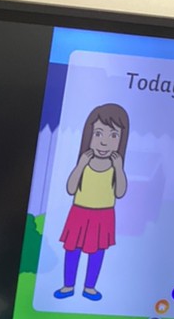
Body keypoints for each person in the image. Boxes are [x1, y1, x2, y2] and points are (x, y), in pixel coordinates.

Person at [54, 102, 130, 302]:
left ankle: (90, 287)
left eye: (113, 136)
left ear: (121, 140)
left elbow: (120, 192)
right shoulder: (84, 163)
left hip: (104, 215)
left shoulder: (115, 167)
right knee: (72, 250)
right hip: (79, 212)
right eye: (98, 134)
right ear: (89, 135)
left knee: (97, 253)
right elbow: (71, 188)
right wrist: (80, 165)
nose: (104, 142)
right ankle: (68, 285)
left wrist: (119, 168)